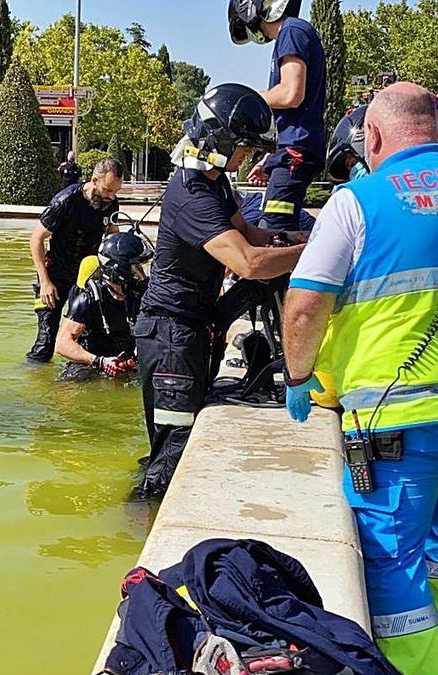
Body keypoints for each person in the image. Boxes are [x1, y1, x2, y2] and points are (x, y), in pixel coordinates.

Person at [281, 83, 438, 674]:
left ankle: (418, 666)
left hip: (394, 419)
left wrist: (298, 375)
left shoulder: (357, 201)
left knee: (390, 559)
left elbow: (305, 304)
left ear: (371, 136)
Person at [136, 83, 304, 497]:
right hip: (171, 336)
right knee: (170, 455)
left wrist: (297, 238)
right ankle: (138, 529)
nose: (248, 158)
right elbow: (246, 261)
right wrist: (311, 253)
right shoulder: (192, 193)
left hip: (190, 329)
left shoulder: (214, 183)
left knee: (176, 442)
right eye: (244, 148)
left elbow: (249, 233)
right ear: (220, 140)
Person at [229, 0, 327, 232]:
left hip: (295, 152)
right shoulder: (294, 32)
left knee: (274, 231)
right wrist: (269, 160)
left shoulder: (292, 30)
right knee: (281, 229)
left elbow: (290, 94)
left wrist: (243, 101)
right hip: (292, 152)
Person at [26, 158, 124, 362]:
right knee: (45, 344)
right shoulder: (66, 200)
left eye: (115, 192)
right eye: (108, 190)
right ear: (94, 180)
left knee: (87, 337)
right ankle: (36, 382)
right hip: (55, 274)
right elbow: (36, 239)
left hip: (85, 277)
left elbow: (113, 234)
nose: (111, 196)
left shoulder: (111, 203)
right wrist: (45, 283)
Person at [55, 231, 152, 381]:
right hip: (91, 362)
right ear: (118, 269)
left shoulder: (138, 293)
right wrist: (100, 361)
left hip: (127, 360)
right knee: (73, 384)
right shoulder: (88, 299)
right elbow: (62, 344)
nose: (140, 272)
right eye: (135, 267)